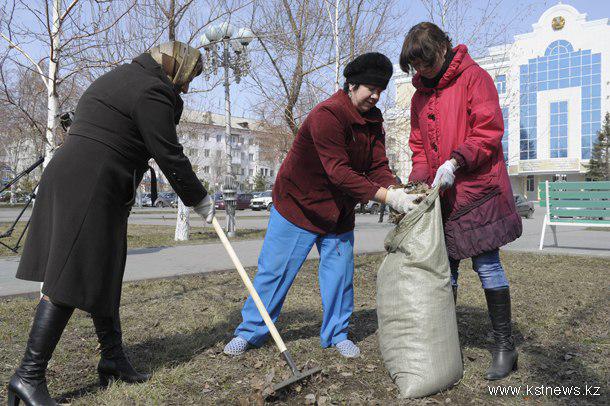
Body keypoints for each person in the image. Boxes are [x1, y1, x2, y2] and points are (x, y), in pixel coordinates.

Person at [7, 41, 215, 406]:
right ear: (174, 68)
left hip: (86, 181)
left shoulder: (120, 76)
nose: (185, 88)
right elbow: (167, 152)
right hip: (90, 185)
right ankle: (28, 376)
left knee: (105, 270)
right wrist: (198, 197)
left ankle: (113, 358)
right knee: (68, 276)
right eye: (186, 79)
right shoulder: (152, 90)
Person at [223, 53, 421, 358]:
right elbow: (339, 172)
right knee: (274, 274)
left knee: (340, 277)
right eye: (371, 88)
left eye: (381, 90)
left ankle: (336, 333)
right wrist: (385, 197)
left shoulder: (373, 120)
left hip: (338, 212)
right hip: (298, 206)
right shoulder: (327, 115)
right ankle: (250, 332)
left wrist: (396, 189)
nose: (376, 95)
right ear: (352, 85)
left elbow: (378, 165)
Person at [400, 22, 522, 380]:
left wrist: (455, 161)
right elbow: (419, 147)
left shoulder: (475, 79)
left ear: (442, 48)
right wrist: (418, 183)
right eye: (415, 66)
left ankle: (504, 345)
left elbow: (488, 132)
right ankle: (445, 340)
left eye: (425, 62)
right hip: (443, 197)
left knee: (486, 266)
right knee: (444, 271)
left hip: (477, 191)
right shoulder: (419, 96)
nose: (421, 71)